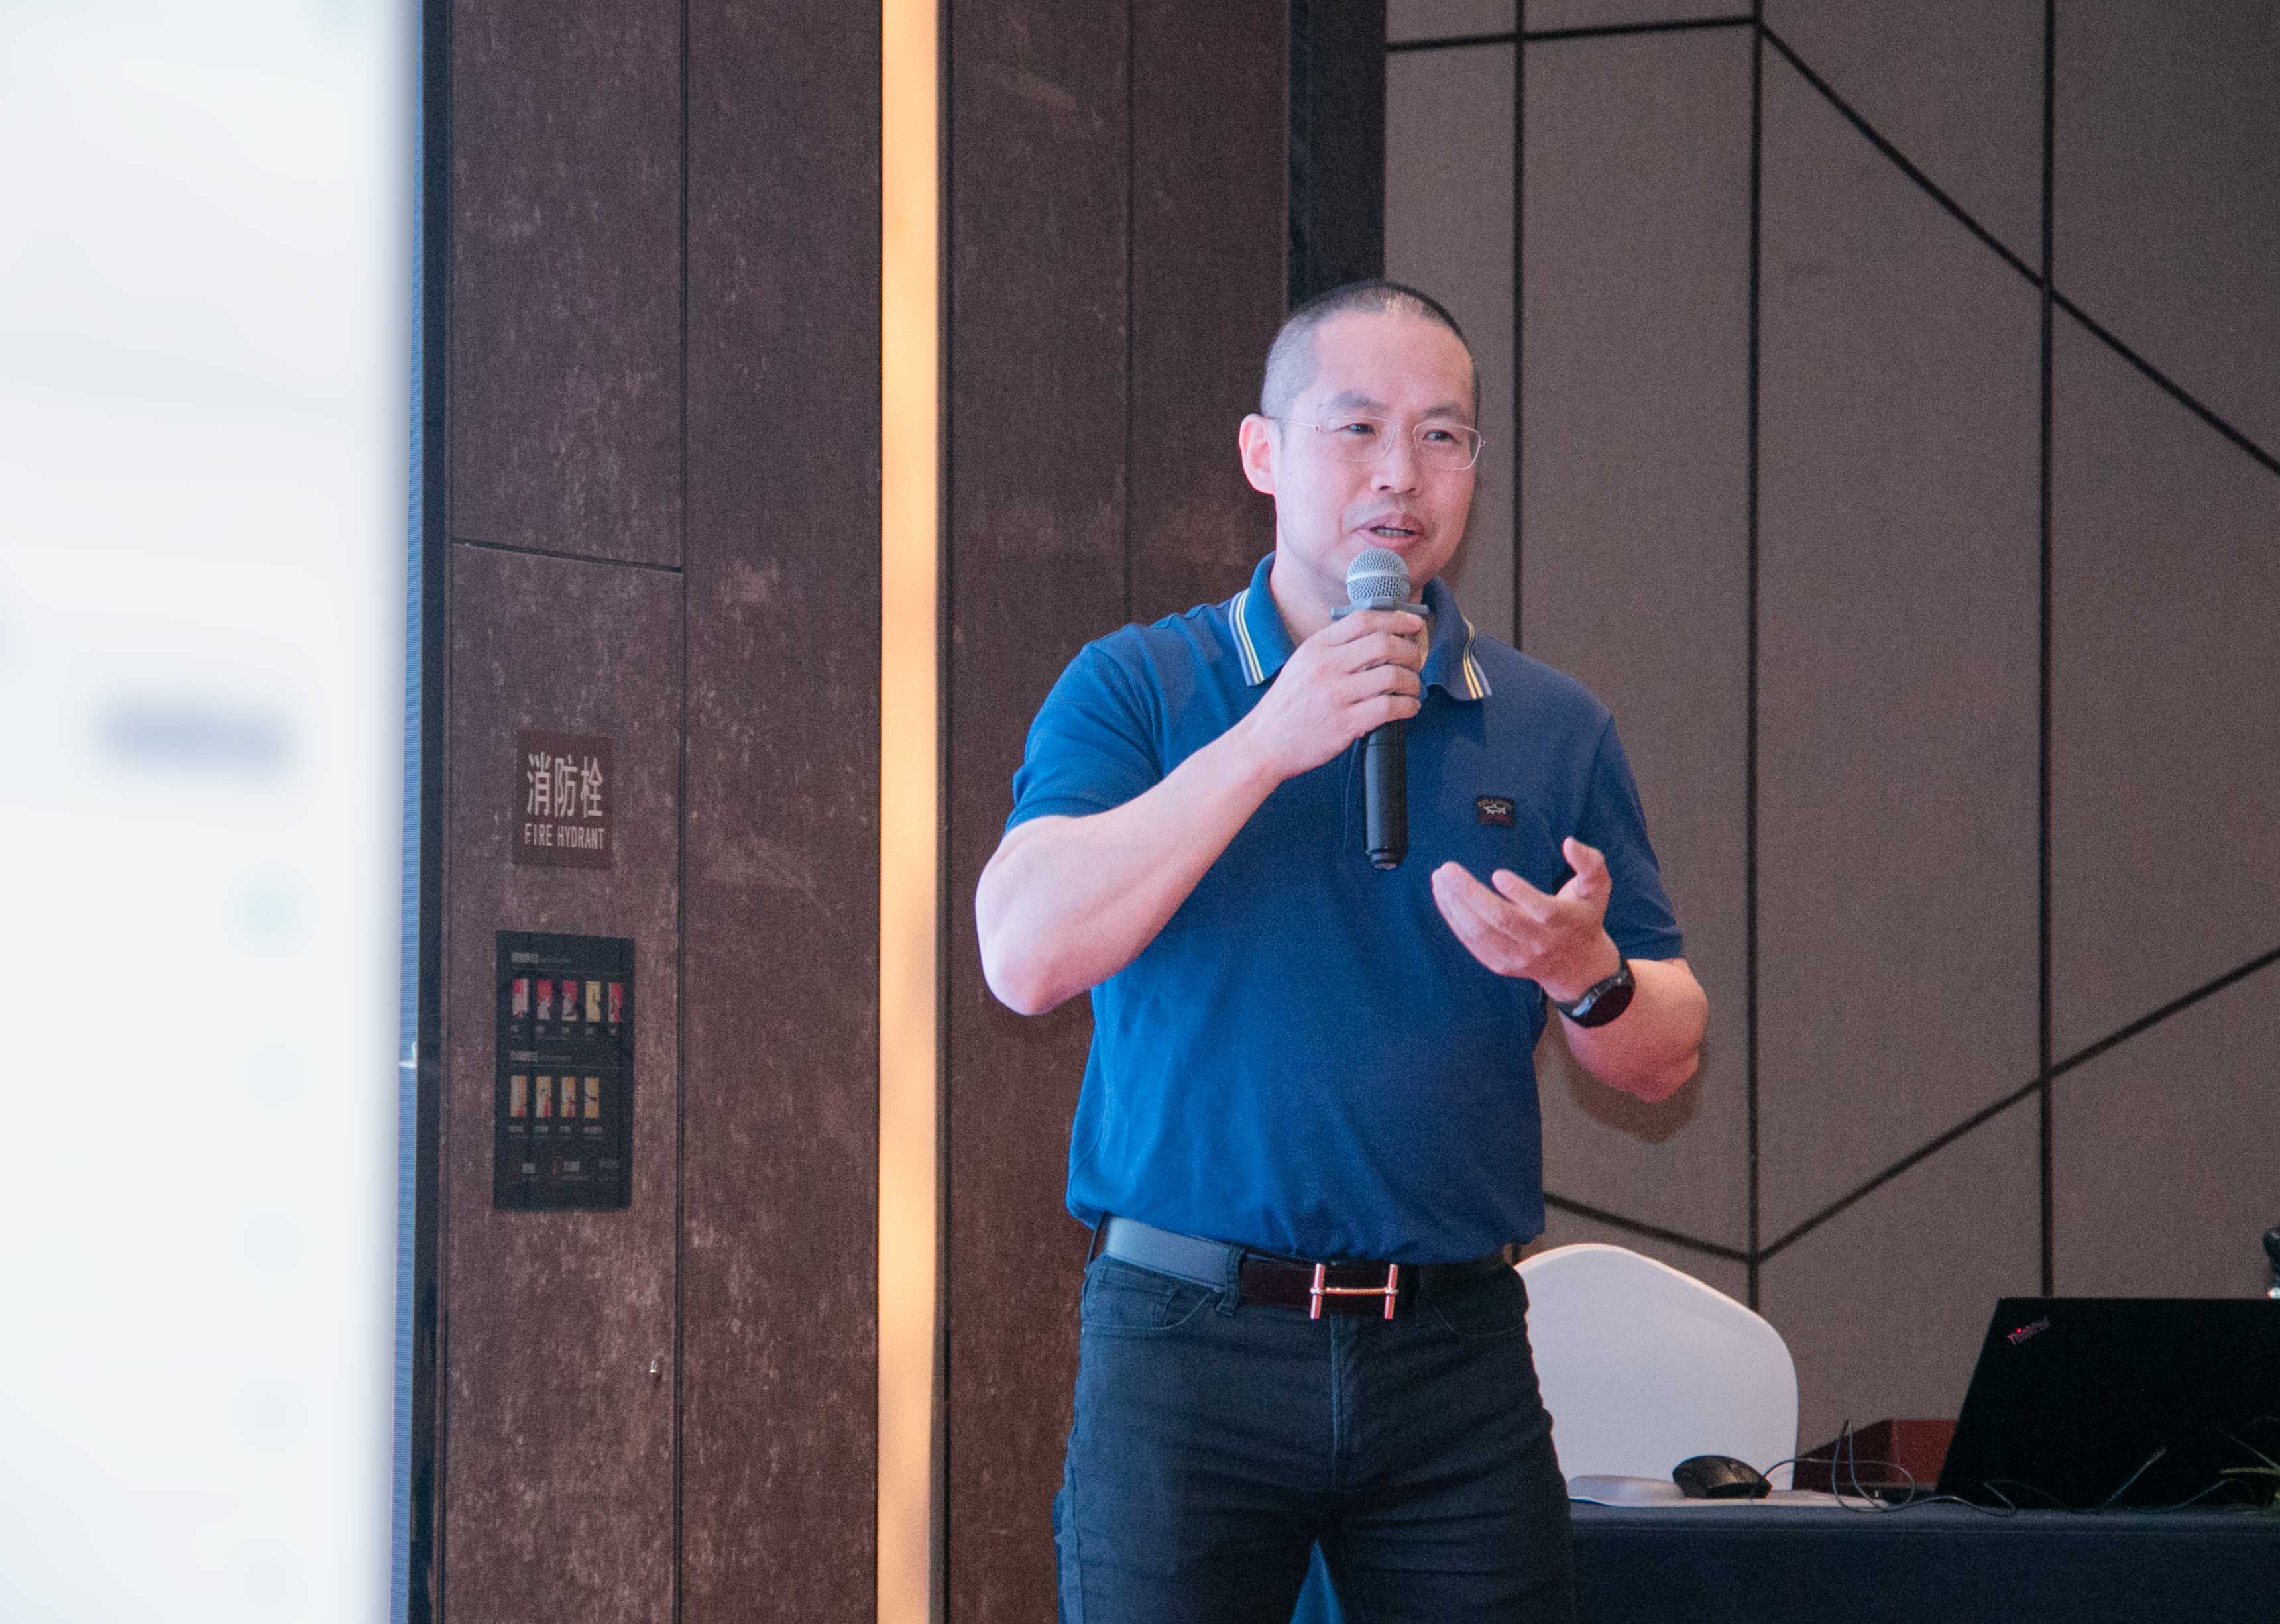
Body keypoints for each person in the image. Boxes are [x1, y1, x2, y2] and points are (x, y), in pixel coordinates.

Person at [975, 280, 1709, 1624]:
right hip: (1188, 1346)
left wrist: (1586, 973)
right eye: (1357, 427)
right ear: (1263, 453)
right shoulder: (1138, 686)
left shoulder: (1551, 726)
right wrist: (1270, 740)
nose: (1400, 474)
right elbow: (1023, 954)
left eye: (1442, 437)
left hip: (1452, 1359)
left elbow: (1666, 1050)